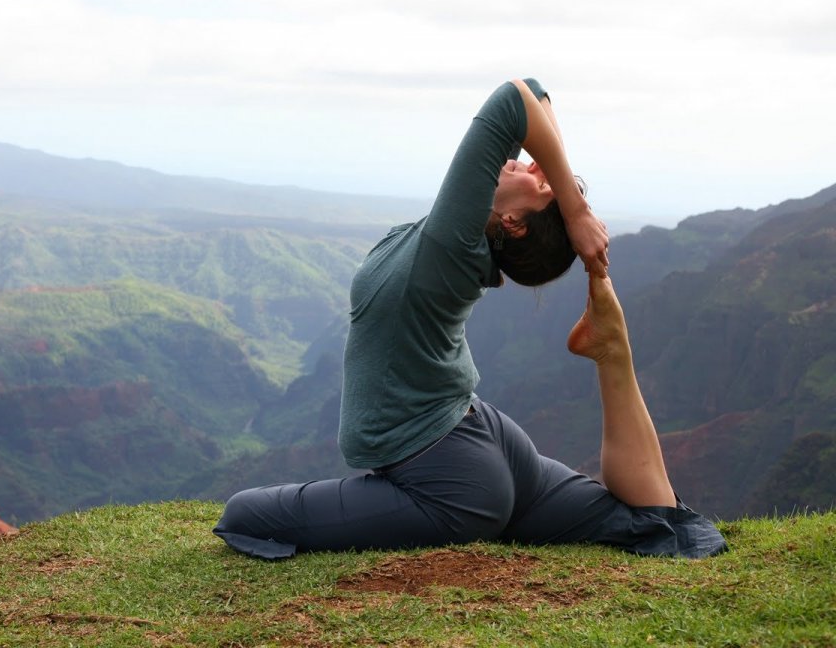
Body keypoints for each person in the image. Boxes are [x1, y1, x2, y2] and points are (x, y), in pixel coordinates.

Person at [213, 78, 726, 560]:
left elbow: (513, 100)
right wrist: (560, 191)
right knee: (643, 522)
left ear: (513, 224)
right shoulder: (467, 235)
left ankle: (613, 350)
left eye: (540, 186)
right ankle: (612, 351)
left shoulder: (453, 244)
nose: (531, 167)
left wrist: (572, 211)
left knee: (244, 514)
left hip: (453, 485)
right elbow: (536, 90)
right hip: (484, 438)